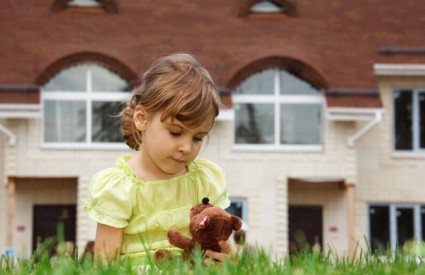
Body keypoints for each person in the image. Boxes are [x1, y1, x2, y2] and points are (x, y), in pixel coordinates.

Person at [84, 53, 230, 266]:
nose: (186, 148)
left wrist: (223, 259)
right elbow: (105, 265)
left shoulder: (205, 181)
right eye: (175, 132)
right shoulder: (118, 188)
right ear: (142, 119)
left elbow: (221, 247)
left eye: (198, 138)